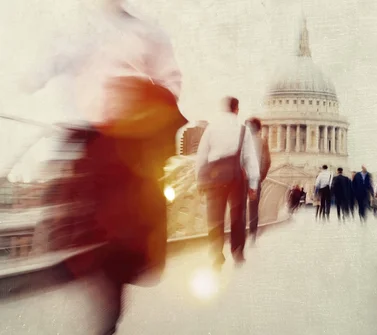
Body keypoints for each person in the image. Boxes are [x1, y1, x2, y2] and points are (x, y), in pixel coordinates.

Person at [23, 1, 186, 334]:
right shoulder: (84, 28)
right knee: (93, 220)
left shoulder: (146, 32)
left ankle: (106, 290)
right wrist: (33, 78)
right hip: (90, 136)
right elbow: (57, 61)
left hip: (126, 137)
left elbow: (170, 81)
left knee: (120, 223)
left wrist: (143, 102)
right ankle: (92, 274)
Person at [195, 97, 259, 271]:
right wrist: (253, 184)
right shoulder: (242, 130)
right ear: (236, 109)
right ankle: (237, 252)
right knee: (238, 217)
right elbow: (249, 158)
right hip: (235, 178)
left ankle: (216, 256)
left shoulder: (211, 128)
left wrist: (199, 179)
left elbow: (201, 156)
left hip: (214, 179)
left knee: (214, 218)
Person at [245, 117, 271, 243]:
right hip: (255, 179)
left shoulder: (242, 141)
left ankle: (240, 235)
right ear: (259, 128)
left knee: (239, 207)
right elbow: (266, 162)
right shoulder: (262, 142)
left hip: (241, 179)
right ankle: (252, 235)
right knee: (253, 208)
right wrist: (261, 177)